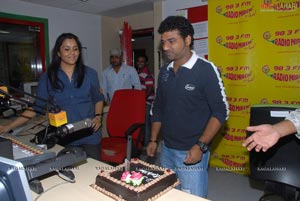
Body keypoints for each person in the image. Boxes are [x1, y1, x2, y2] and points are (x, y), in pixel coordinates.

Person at [146, 16, 229, 198]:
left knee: (191, 196)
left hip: (191, 151)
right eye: (163, 42)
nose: (165, 47)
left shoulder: (206, 70)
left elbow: (220, 111)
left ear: (188, 40)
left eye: (172, 41)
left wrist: (200, 146)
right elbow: (158, 108)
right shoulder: (165, 72)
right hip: (166, 149)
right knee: (168, 194)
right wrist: (153, 140)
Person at [0, 33, 105, 161]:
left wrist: (98, 117)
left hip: (90, 136)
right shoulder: (48, 77)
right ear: (58, 53)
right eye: (67, 49)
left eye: (75, 48)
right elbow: (36, 108)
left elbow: (98, 98)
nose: (72, 52)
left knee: (93, 173)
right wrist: (8, 126)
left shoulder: (90, 73)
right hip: (64, 137)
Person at [136, 55, 155, 146]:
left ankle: (146, 145)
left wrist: (141, 100)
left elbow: (150, 89)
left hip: (146, 103)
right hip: (140, 103)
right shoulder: (138, 73)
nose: (140, 63)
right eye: (138, 61)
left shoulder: (147, 74)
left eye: (142, 61)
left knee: (147, 124)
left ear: (146, 63)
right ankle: (142, 143)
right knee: (141, 124)